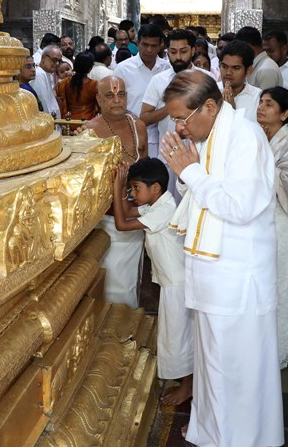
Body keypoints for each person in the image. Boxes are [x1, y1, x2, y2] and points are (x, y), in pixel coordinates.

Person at [160, 70, 284, 447]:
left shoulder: (244, 137)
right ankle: (211, 431)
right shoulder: (212, 134)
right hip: (213, 275)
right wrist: (187, 171)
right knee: (212, 365)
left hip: (237, 278)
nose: (179, 127)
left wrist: (190, 171)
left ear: (210, 107)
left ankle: (240, 439)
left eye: (182, 118)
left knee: (236, 370)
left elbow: (239, 207)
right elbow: (201, 192)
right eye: (174, 119)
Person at [111, 157, 193, 406]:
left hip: (177, 284)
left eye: (136, 188)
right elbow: (127, 212)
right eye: (131, 188)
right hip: (171, 282)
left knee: (178, 337)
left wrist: (117, 186)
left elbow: (121, 224)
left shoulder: (164, 210)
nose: (133, 194)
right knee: (175, 335)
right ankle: (187, 382)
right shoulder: (158, 204)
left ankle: (188, 387)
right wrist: (123, 187)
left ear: (155, 188)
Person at [80, 75, 148, 307]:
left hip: (133, 218)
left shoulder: (138, 126)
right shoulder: (89, 133)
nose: (116, 100)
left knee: (130, 282)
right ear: (99, 99)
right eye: (109, 95)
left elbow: (145, 171)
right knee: (109, 283)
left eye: (121, 94)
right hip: (106, 222)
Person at [257, 87, 288, 369]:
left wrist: (260, 161)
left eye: (269, 104)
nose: (261, 108)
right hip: (255, 222)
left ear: (285, 114)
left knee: (277, 284)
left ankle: (274, 354)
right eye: (260, 102)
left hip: (280, 221)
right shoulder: (254, 136)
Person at [141, 29, 210, 201]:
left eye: (183, 51)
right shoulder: (159, 80)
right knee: (169, 207)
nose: (178, 57)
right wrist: (170, 107)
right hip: (168, 157)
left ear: (192, 51)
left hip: (201, 156)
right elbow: (144, 118)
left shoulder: (206, 79)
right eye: (173, 52)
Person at [114, 23, 170, 155]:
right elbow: (115, 103)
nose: (149, 50)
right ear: (137, 43)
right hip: (131, 137)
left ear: (161, 45)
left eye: (153, 45)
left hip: (164, 139)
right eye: (145, 44)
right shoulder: (123, 69)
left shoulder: (168, 69)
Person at [217, 40, 263, 122]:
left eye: (236, 68)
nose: (228, 73)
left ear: (248, 71)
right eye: (224, 66)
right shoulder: (209, 91)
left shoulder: (258, 98)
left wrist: (231, 111)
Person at [235, 26, 282, 91]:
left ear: (248, 46)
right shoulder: (257, 66)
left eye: (240, 49)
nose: (239, 53)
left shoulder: (265, 70)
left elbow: (266, 97)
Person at [57, 51, 97, 125]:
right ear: (90, 68)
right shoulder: (94, 85)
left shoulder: (63, 83)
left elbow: (60, 103)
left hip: (68, 122)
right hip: (87, 122)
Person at [30, 45, 62, 119]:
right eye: (54, 60)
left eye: (59, 61)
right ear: (43, 58)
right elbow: (44, 103)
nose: (57, 63)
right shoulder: (39, 74)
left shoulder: (47, 74)